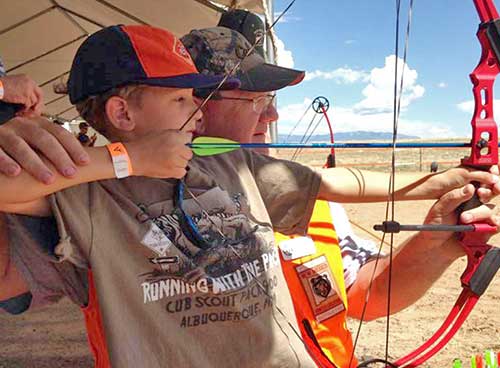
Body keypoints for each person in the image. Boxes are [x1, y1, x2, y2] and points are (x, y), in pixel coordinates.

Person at [1, 24, 497, 368]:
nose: (271, 117)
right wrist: (125, 160)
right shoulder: (86, 192)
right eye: (183, 97)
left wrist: (438, 185)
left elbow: (336, 188)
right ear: (122, 113)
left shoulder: (232, 164)